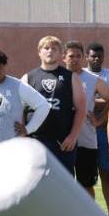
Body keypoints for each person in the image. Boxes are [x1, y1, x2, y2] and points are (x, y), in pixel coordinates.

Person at [21, 36, 86, 175]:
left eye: (54, 48)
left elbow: (81, 109)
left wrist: (73, 136)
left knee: (64, 184)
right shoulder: (28, 77)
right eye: (46, 48)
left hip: (62, 142)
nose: (50, 51)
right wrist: (23, 135)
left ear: (60, 53)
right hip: (35, 140)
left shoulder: (71, 77)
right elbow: (20, 109)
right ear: (39, 52)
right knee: (34, 181)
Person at [64, 41, 109, 200]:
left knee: (86, 185)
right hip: (62, 141)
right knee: (63, 184)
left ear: (83, 58)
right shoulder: (57, 77)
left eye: (78, 56)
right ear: (64, 57)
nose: (75, 59)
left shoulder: (93, 79)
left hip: (86, 140)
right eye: (71, 56)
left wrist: (99, 121)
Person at [87, 42, 109, 216]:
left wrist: (99, 118)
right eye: (93, 56)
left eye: (99, 56)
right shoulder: (80, 76)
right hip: (84, 132)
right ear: (87, 57)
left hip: (103, 131)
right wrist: (100, 100)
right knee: (85, 177)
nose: (96, 59)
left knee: (106, 173)